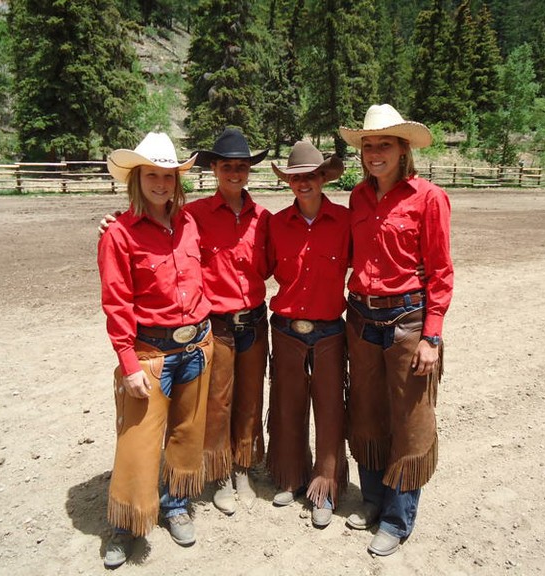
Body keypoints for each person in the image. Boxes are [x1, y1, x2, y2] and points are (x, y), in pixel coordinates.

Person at [338, 104, 454, 556]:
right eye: (368, 145)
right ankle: (372, 499)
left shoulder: (429, 198)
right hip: (362, 317)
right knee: (366, 411)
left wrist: (433, 334)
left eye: (383, 144)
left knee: (410, 421)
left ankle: (397, 517)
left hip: (407, 320)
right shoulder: (358, 199)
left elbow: (441, 273)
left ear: (404, 149)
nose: (373, 153)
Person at [97, 132, 213, 568]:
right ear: (137, 178)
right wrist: (128, 363)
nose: (161, 184)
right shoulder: (119, 234)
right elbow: (116, 302)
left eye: (168, 176)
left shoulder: (189, 224)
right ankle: (126, 524)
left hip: (197, 344)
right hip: (150, 352)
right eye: (153, 176)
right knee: (138, 442)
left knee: (186, 432)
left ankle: (176, 504)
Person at [186, 128, 271, 515]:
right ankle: (219, 472)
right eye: (227, 167)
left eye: (241, 167)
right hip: (217, 322)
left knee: (250, 397)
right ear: (215, 170)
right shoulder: (195, 215)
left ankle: (243, 466)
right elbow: (156, 226)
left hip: (254, 319)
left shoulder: (263, 219)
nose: (235, 173)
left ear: (248, 171)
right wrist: (116, 221)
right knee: (218, 399)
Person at [265, 140, 349, 528]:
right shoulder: (276, 224)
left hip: (330, 330)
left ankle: (325, 487)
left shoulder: (346, 221)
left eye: (311, 176)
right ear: (289, 182)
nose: (304, 183)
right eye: (296, 177)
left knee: (331, 410)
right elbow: (252, 265)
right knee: (287, 406)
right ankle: (290, 475)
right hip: (285, 330)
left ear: (323, 178)